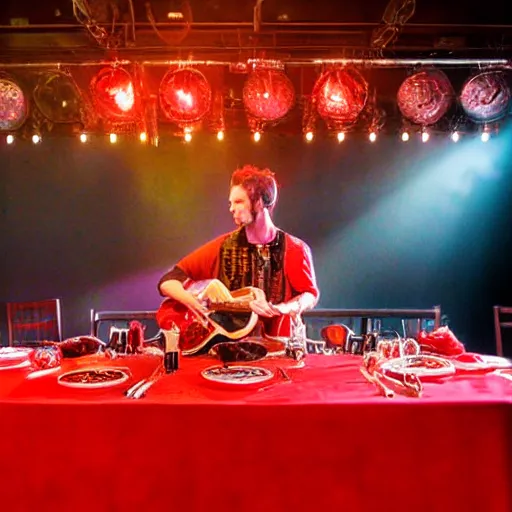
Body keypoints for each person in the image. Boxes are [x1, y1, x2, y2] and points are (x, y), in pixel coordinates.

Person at [156, 164, 319, 353]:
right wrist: (193, 302)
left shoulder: (295, 248)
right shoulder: (222, 246)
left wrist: (282, 308)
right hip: (227, 350)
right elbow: (167, 281)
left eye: (238, 202)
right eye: (230, 203)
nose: (232, 209)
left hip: (277, 349)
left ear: (259, 202)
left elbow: (310, 294)